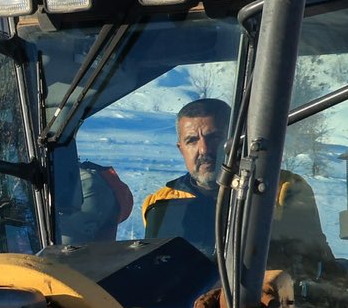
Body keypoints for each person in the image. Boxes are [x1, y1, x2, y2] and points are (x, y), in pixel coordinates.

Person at [141, 98, 331, 271]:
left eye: (214, 137)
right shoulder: (160, 203)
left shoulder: (280, 189)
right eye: (192, 140)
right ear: (181, 149)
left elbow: (315, 268)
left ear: (237, 140)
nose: (204, 149)